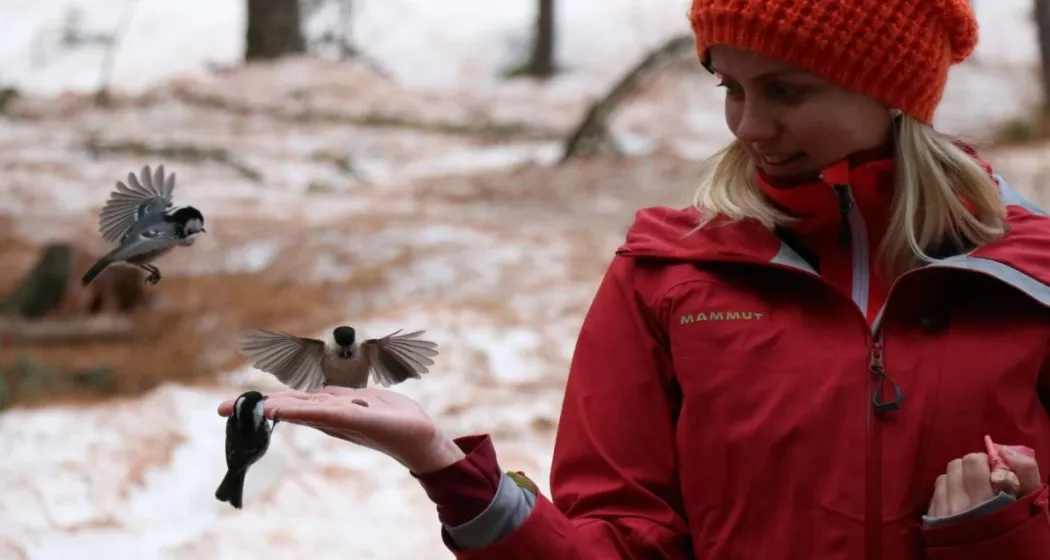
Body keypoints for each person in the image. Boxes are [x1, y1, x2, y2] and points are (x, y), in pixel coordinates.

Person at [218, 0, 1050, 557]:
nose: (751, 126)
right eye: (732, 87)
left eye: (788, 90)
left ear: (893, 90)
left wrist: (1002, 539)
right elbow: (619, 542)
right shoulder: (668, 279)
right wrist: (451, 472)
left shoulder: (1028, 281)